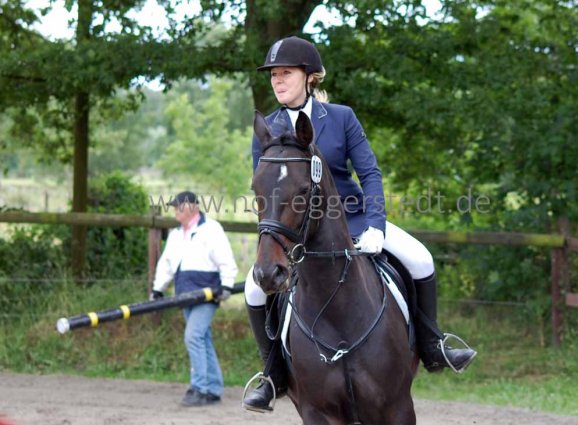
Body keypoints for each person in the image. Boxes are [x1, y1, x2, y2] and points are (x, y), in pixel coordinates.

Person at [242, 36, 477, 412]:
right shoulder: (266, 129)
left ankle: (433, 345)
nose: (277, 80)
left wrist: (376, 225)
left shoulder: (340, 118)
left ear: (310, 76)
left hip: (353, 218)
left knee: (421, 259)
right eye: (273, 74)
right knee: (254, 290)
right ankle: (272, 375)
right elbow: (268, 189)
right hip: (297, 230)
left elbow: (369, 172)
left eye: (286, 72)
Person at [151, 190, 238, 407]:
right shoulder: (175, 235)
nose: (176, 210)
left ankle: (199, 388)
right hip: (184, 293)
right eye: (175, 207)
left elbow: (225, 258)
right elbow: (166, 264)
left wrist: (227, 283)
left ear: (193, 207)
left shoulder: (211, 229)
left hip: (207, 293)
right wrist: (158, 289)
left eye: (180, 206)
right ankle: (213, 389)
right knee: (202, 338)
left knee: (193, 336)